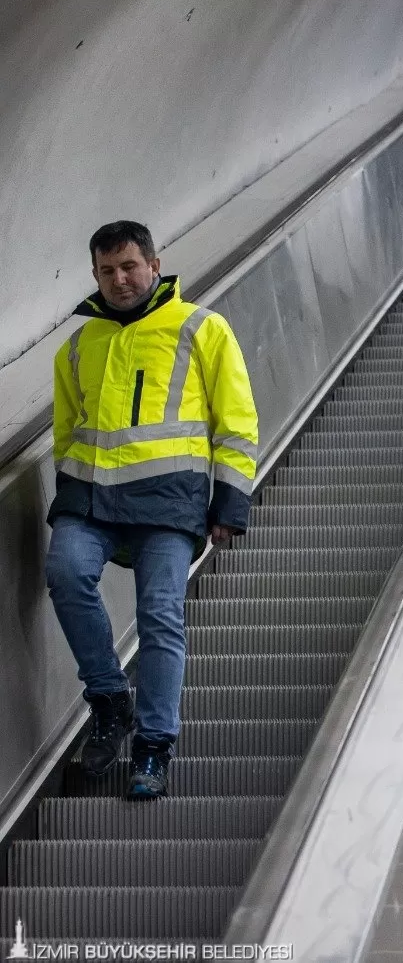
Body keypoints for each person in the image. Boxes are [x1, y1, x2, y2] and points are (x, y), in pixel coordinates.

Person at [47, 221, 259, 799]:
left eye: (129, 267)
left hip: (169, 503)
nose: (119, 279)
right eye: (107, 270)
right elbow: (66, 431)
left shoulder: (200, 327)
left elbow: (236, 423)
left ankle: (153, 745)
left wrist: (229, 501)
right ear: (94, 274)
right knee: (64, 573)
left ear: (155, 264)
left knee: (160, 614)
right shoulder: (79, 344)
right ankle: (110, 698)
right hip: (90, 500)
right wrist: (71, 487)